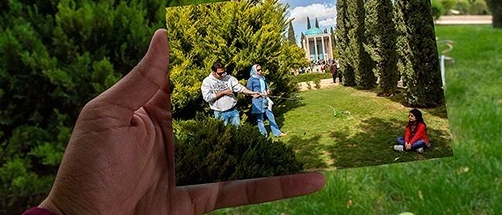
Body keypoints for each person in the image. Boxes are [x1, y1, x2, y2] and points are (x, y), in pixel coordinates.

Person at [22, 29, 325, 215]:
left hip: (233, 111)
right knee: (224, 148)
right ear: (213, 72)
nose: (223, 75)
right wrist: (67, 211)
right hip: (220, 113)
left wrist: (247, 92)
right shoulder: (208, 82)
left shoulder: (230, 78)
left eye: (224, 73)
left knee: (238, 144)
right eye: (220, 73)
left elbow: (239, 88)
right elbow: (207, 98)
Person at [246, 64, 285, 137]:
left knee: (270, 116)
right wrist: (253, 95)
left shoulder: (263, 77)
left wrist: (268, 91)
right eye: (258, 70)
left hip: (265, 99)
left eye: (261, 69)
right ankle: (263, 135)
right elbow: (248, 91)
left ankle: (277, 133)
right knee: (260, 119)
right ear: (254, 70)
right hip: (257, 101)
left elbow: (267, 87)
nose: (260, 71)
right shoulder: (251, 80)